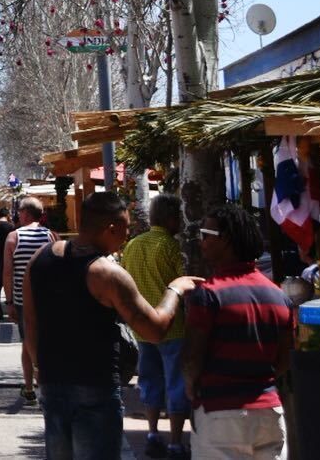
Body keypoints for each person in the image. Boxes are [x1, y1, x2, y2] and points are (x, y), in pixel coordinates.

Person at [24, 192, 200, 460]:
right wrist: (174, 290)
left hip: (52, 385)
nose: (126, 237)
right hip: (95, 388)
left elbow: (30, 324)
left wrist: (39, 368)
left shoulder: (40, 259)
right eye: (125, 230)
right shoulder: (106, 273)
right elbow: (154, 330)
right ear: (111, 228)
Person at [182, 203, 294, 460]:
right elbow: (284, 359)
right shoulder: (278, 296)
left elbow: (191, 359)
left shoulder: (208, 295)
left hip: (220, 413)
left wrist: (192, 388)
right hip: (269, 413)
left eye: (206, 236)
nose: (201, 243)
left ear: (226, 240)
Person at [124, 193, 191, 459]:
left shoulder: (132, 246)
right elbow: (184, 284)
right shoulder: (172, 247)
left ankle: (152, 433)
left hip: (142, 326)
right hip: (173, 327)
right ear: (172, 219)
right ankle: (175, 441)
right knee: (176, 382)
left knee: (149, 381)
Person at [3, 196, 55, 403]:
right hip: (47, 299)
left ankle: (30, 388)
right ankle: (47, 386)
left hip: (23, 300)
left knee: (27, 342)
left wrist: (9, 302)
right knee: (46, 341)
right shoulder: (51, 236)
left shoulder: (14, 237)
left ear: (24, 213)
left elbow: (8, 272)